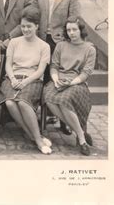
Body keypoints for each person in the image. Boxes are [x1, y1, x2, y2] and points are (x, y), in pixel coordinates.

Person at [31, 0, 81, 135]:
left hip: (61, 43)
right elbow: (33, 14)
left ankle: (64, 120)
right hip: (42, 40)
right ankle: (43, 115)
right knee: (44, 78)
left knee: (59, 78)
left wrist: (68, 41)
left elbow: (74, 18)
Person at [0, 7, 52, 154]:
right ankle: (35, 136)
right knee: (9, 102)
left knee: (22, 102)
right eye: (23, 26)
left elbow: (40, 71)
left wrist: (26, 81)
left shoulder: (44, 46)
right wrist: (13, 78)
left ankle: (38, 141)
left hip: (32, 80)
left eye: (29, 26)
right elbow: (8, 65)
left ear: (36, 26)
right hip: (12, 77)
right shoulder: (14, 42)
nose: (26, 29)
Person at [43, 18, 96, 156]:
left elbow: (86, 73)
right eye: (68, 30)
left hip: (77, 83)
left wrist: (71, 82)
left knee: (64, 100)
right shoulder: (61, 46)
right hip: (59, 80)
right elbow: (54, 66)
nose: (71, 33)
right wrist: (55, 80)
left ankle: (82, 140)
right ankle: (81, 132)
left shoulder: (89, 49)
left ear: (81, 30)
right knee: (48, 98)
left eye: (74, 29)